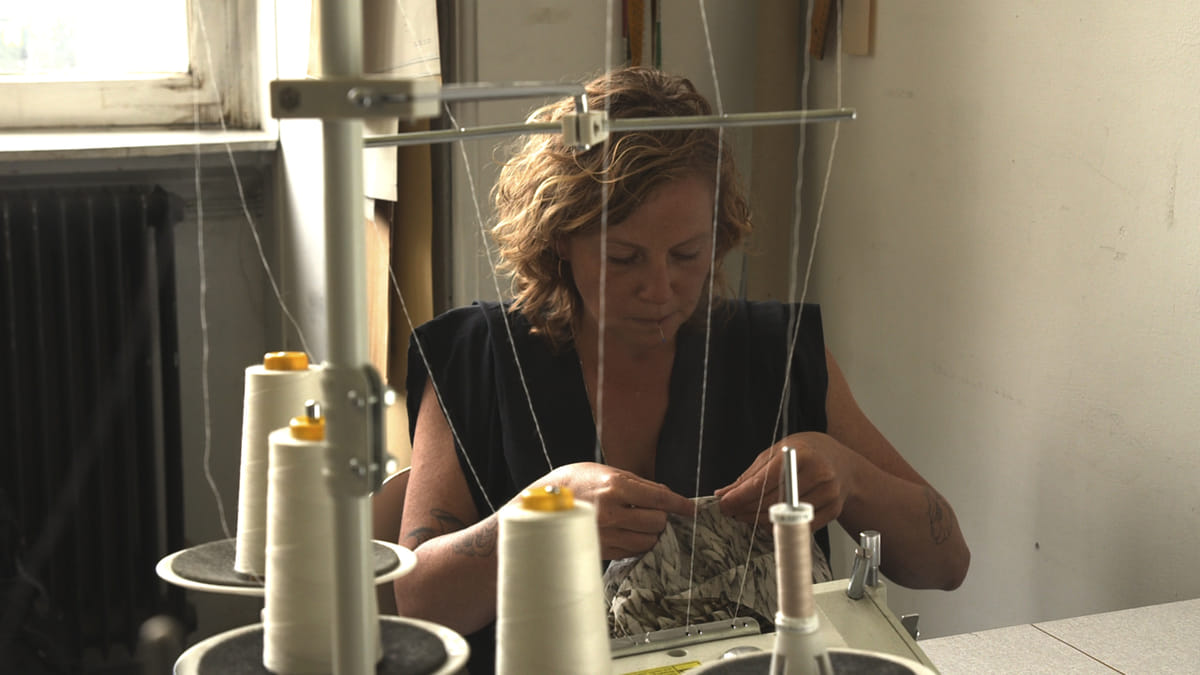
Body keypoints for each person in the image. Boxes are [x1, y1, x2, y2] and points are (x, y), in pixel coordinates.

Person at [389, 66, 969, 672]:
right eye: (624, 258)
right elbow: (416, 602)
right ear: (560, 239)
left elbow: (947, 563)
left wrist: (848, 474)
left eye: (688, 254)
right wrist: (543, 515)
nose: (660, 289)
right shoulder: (475, 360)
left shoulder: (778, 355)